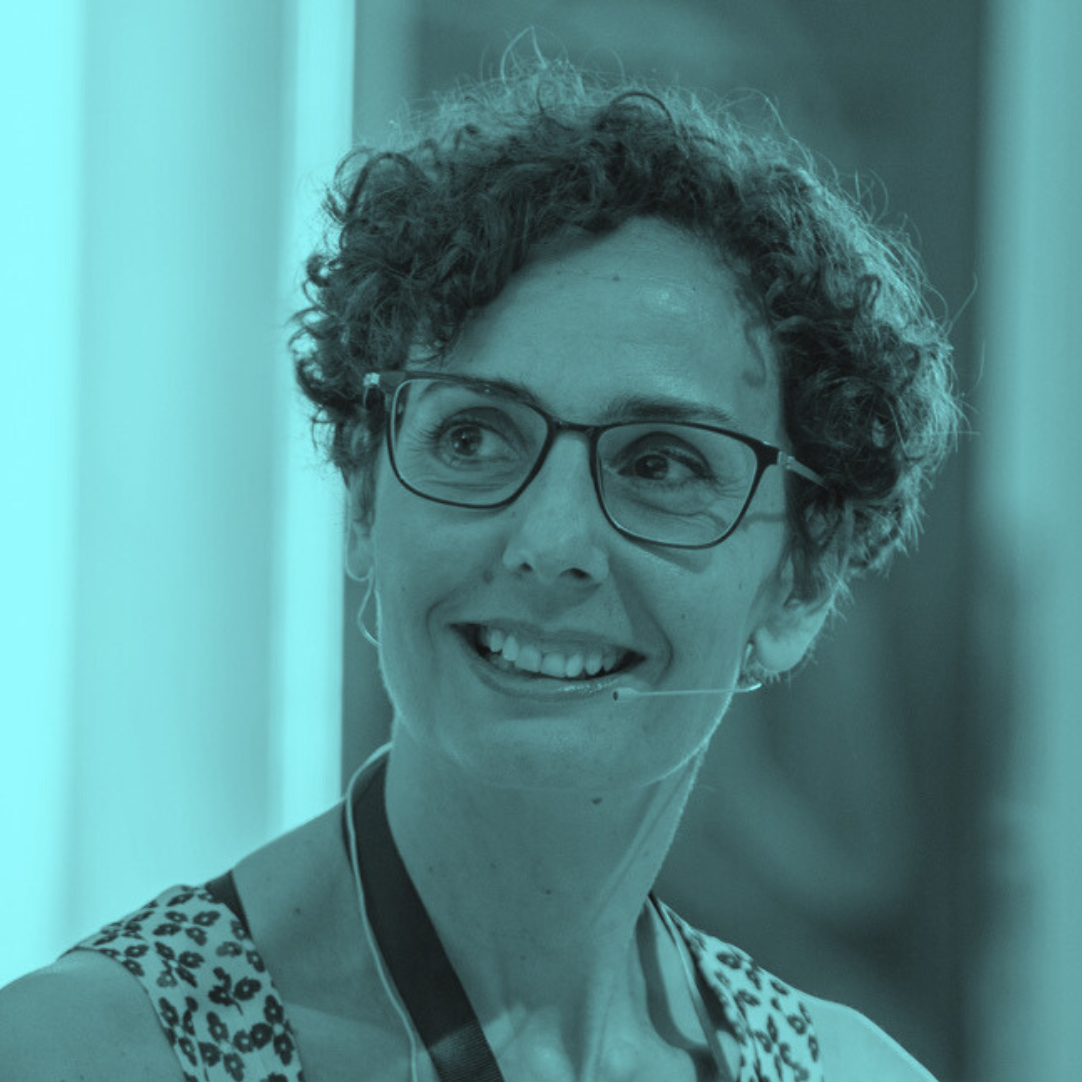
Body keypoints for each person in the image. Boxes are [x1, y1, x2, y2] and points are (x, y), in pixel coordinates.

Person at [1, 52, 961, 1082]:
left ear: (801, 580)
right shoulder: (84, 1053)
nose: (550, 543)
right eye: (472, 438)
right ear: (365, 497)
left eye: (659, 464)